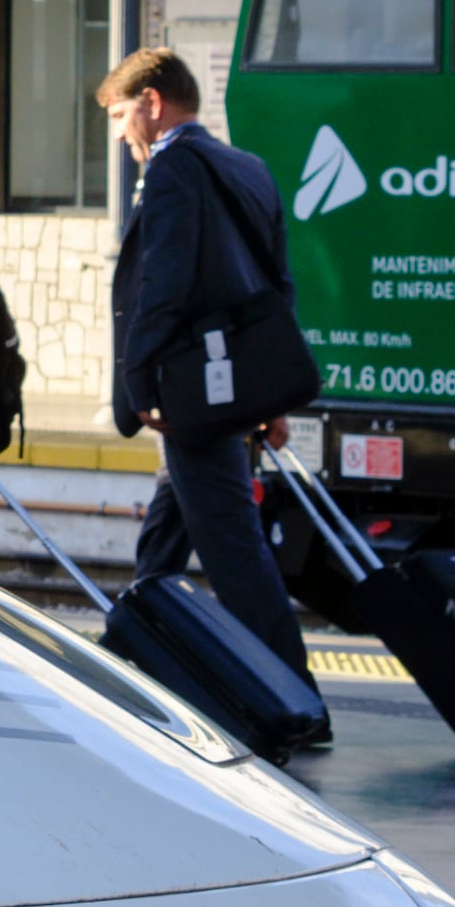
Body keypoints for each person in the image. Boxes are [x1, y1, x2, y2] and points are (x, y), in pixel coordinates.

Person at [99, 45, 316, 684]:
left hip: (191, 389)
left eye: (119, 117)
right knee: (168, 531)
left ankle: (293, 693)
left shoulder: (173, 170)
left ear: (152, 103)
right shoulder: (246, 166)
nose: (118, 135)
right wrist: (269, 397)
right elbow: (278, 289)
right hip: (237, 383)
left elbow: (159, 286)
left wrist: (139, 382)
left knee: (232, 548)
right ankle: (127, 655)